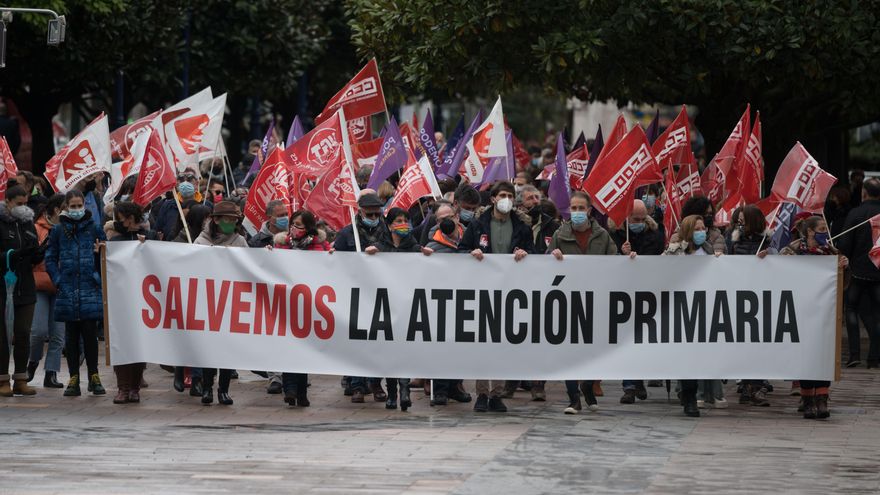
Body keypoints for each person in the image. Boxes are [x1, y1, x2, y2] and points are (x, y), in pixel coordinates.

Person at [458, 181, 534, 413]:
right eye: (502, 195)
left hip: (511, 292)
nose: (507, 199)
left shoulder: (522, 226)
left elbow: (534, 253)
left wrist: (525, 253)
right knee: (483, 343)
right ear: (492, 199)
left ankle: (497, 394)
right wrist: (472, 252)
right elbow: (462, 250)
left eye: (510, 196)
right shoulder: (478, 223)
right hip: (482, 290)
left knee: (502, 344)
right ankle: (481, 392)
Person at [547, 191, 617, 413]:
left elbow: (615, 264)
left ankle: (588, 386)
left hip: (596, 301)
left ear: (589, 210)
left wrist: (628, 258)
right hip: (569, 300)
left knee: (593, 350)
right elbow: (545, 263)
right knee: (569, 351)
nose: (577, 212)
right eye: (573, 208)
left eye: (581, 208)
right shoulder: (560, 234)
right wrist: (552, 256)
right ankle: (573, 397)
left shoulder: (602, 236)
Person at [781, 215, 848, 419]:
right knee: (806, 356)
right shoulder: (792, 251)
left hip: (825, 314)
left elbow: (842, 284)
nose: (825, 233)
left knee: (824, 355)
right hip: (800, 312)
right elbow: (776, 272)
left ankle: (822, 399)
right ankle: (808, 399)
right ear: (810, 231)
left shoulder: (832, 253)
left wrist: (844, 266)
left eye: (825, 229)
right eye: (821, 229)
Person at [45, 190, 107, 397]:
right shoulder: (58, 231)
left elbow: (108, 256)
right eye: (73, 206)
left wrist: (98, 263)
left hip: (89, 288)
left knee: (90, 334)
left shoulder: (95, 228)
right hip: (68, 289)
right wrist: (58, 279)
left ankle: (94, 376)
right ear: (65, 207)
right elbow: (50, 258)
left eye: (79, 205)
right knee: (71, 337)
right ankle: (73, 377)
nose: (77, 209)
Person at [365, 208, 425, 411]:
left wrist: (427, 256)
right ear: (390, 225)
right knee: (390, 352)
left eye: (406, 221)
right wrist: (369, 255)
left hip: (407, 305)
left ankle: (404, 390)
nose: (404, 224)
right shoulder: (379, 246)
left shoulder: (415, 247)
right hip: (385, 307)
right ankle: (392, 392)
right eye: (399, 221)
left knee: (404, 350)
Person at [663, 214, 722, 417]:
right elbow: (658, 271)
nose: (701, 232)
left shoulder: (708, 250)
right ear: (688, 230)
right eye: (697, 228)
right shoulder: (674, 252)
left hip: (704, 310)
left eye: (703, 228)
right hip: (681, 310)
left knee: (697, 356)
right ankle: (689, 398)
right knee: (686, 356)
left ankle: (692, 395)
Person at [333, 192, 390, 403]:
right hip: (355, 294)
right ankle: (357, 385)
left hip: (380, 293)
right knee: (357, 340)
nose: (374, 218)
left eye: (377, 214)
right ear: (360, 211)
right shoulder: (348, 233)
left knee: (379, 340)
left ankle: (375, 382)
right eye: (370, 214)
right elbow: (336, 261)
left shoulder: (387, 232)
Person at [272, 210, 332, 407]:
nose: (295, 228)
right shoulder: (281, 244)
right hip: (287, 302)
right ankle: (289, 389)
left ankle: (301, 391)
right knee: (289, 347)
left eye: (300, 225)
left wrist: (331, 257)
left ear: (309, 228)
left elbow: (329, 270)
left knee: (304, 348)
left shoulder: (320, 245)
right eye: (293, 224)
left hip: (310, 303)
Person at [610, 199, 664, 405]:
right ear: (626, 218)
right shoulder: (615, 235)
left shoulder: (655, 235)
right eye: (635, 219)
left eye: (642, 219)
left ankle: (638, 378)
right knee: (627, 340)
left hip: (647, 294)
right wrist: (620, 254)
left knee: (643, 340)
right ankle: (629, 385)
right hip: (623, 295)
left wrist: (637, 256)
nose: (639, 222)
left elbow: (655, 259)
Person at [193, 201, 248, 405]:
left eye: (234, 220)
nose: (230, 224)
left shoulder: (240, 241)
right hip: (207, 301)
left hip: (232, 300)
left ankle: (223, 390)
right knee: (210, 348)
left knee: (227, 348)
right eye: (227, 219)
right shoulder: (201, 241)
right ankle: (207, 387)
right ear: (215, 220)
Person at [106, 202, 157, 404]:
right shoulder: (116, 240)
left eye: (123, 218)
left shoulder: (150, 237)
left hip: (144, 298)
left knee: (138, 344)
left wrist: (148, 247)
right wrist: (101, 252)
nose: (120, 222)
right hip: (121, 298)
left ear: (133, 217)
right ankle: (122, 388)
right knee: (121, 344)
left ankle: (135, 388)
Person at [0, 186, 42, 397]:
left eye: (25, 203)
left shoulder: (27, 223)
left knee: (23, 333)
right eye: (18, 203)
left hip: (25, 286)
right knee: (3, 336)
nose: (22, 208)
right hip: (3, 287)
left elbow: (33, 252)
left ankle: (20, 378)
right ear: (7, 201)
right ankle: (2, 380)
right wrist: (12, 254)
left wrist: (37, 253)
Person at [838, 177, 880, 368]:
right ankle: (874, 357)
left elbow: (845, 243)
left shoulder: (856, 213)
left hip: (858, 272)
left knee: (852, 309)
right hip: (878, 273)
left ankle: (854, 354)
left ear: (863, 193)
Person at [171, 205, 212, 397]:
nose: (208, 221)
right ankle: (180, 371)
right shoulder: (181, 239)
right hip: (186, 295)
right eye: (205, 217)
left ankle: (198, 378)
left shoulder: (209, 239)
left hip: (205, 295)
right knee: (187, 338)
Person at [26, 193, 66, 389]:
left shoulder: (69, 229)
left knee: (58, 334)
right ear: (57, 209)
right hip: (40, 284)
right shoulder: (36, 228)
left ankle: (51, 373)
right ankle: (32, 362)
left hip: (61, 286)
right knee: (38, 331)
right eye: (67, 208)